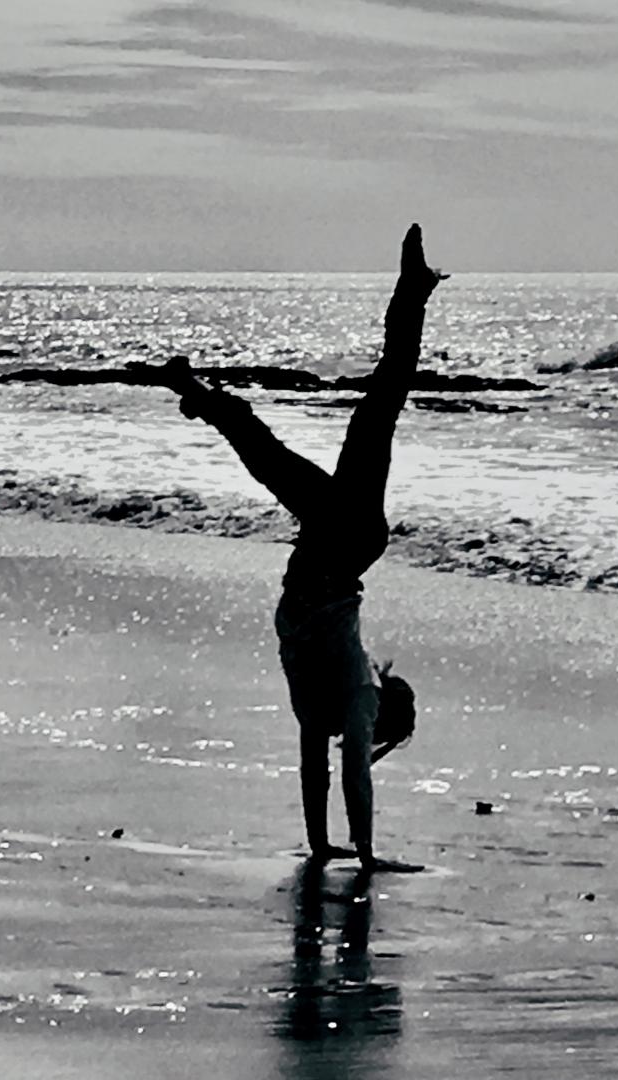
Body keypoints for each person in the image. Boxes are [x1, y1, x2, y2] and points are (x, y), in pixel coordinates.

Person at [160, 223, 443, 870]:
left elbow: (320, 768)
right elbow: (346, 772)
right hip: (338, 550)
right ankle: (413, 291)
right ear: (383, 716)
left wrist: (325, 848)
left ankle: (196, 393)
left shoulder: (332, 705)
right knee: (337, 426)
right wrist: (366, 856)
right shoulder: (350, 700)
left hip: (336, 543)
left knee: (332, 426)